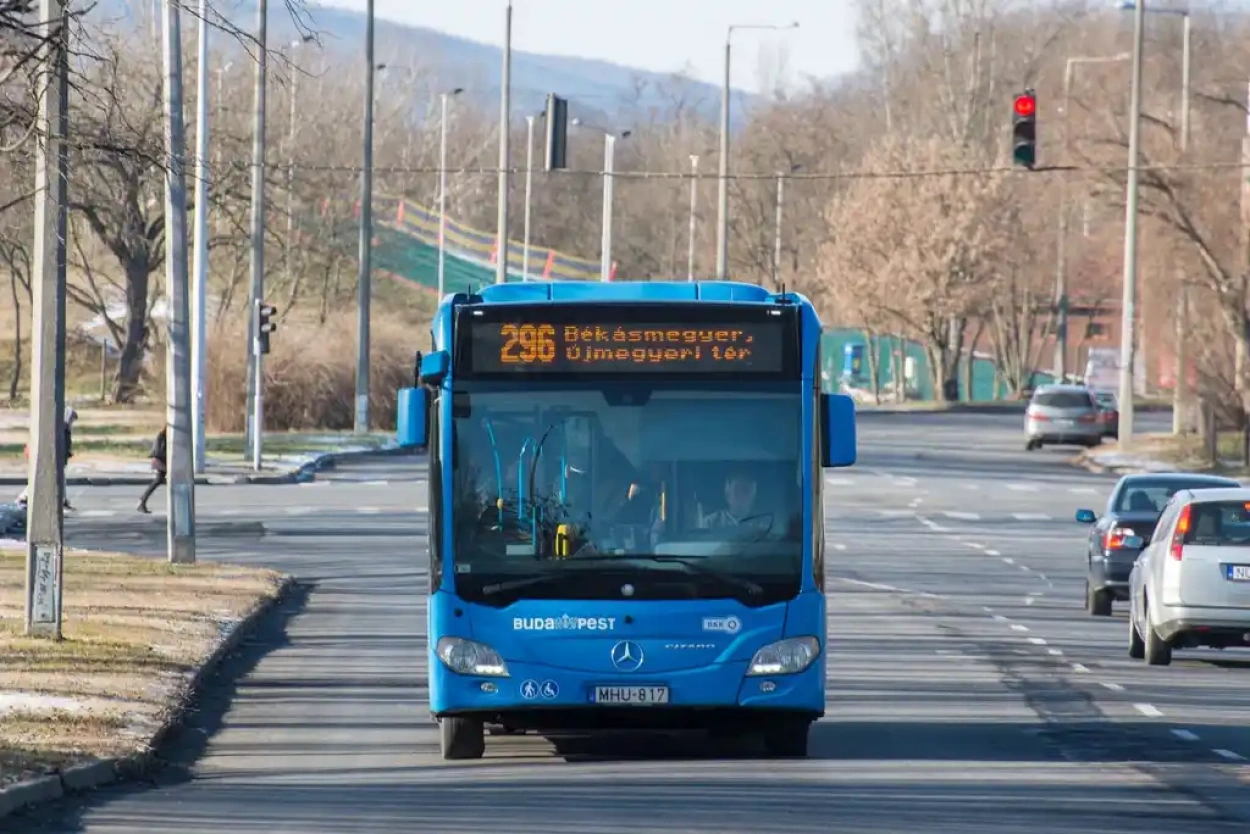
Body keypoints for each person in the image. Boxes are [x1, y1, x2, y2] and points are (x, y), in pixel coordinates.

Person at [16, 406, 76, 510]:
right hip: (46, 457)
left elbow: (65, 445)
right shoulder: (59, 428)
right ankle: (23, 497)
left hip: (55, 458)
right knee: (42, 478)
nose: (72, 422)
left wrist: (67, 453)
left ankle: (62, 500)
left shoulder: (64, 429)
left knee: (60, 480)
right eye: (71, 419)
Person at [700, 468, 770, 531]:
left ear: (753, 495)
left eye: (746, 490)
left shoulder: (764, 524)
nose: (742, 495)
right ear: (727, 494)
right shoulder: (710, 522)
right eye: (737, 490)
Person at [136, 427, 167, 514]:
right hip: (160, 461)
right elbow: (160, 450)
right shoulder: (163, 436)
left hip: (161, 460)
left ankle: (142, 501)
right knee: (159, 480)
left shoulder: (163, 435)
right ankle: (142, 501)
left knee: (159, 480)